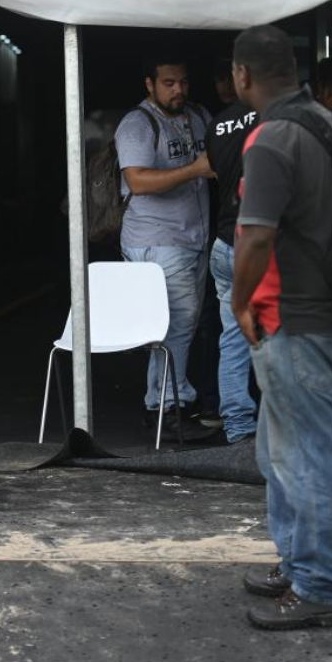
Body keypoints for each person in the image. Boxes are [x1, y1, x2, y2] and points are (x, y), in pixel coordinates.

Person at [230, 25, 332, 629]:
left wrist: (239, 300)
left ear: (242, 76)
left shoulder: (274, 138)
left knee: (307, 458)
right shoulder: (324, 124)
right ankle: (299, 562)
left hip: (293, 319)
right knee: (282, 454)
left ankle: (323, 586)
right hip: (320, 313)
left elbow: (257, 234)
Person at [115, 56, 216, 430]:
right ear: (150, 84)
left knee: (184, 322)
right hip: (156, 239)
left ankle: (169, 399)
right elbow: (138, 181)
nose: (179, 90)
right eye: (169, 83)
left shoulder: (198, 115)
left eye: (184, 82)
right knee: (174, 322)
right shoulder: (137, 124)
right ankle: (165, 404)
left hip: (194, 236)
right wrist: (195, 169)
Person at [204, 75, 259, 444]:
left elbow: (217, 172)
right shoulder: (276, 119)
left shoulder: (217, 125)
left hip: (223, 245)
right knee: (280, 336)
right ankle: (284, 426)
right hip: (257, 245)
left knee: (234, 338)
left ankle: (238, 426)